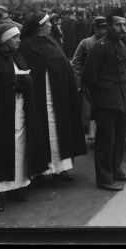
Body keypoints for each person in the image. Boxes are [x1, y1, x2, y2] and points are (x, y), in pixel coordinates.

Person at [0, 23, 49, 211]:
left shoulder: (18, 57)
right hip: (1, 117)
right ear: (3, 40)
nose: (18, 41)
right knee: (1, 153)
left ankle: (17, 187)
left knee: (20, 150)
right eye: (14, 38)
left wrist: (26, 83)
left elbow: (28, 79)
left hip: (20, 113)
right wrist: (13, 84)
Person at [19, 12, 87, 183]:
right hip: (39, 97)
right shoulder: (25, 47)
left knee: (60, 131)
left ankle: (61, 168)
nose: (51, 25)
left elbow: (63, 65)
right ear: (39, 27)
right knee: (40, 131)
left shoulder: (52, 42)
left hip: (58, 96)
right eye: (47, 23)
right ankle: (41, 170)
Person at [82, 8, 126, 191]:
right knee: (106, 141)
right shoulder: (99, 47)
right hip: (105, 102)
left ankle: (116, 169)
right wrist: (101, 96)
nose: (123, 28)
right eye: (119, 25)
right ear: (109, 26)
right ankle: (104, 178)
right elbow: (89, 77)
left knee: (120, 136)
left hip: (121, 99)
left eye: (124, 25)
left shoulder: (120, 45)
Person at [72, 16, 108, 140]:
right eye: (102, 28)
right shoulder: (86, 43)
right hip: (89, 83)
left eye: (106, 28)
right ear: (95, 29)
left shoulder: (111, 42)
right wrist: (78, 82)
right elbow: (76, 63)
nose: (105, 31)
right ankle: (92, 134)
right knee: (89, 110)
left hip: (106, 83)